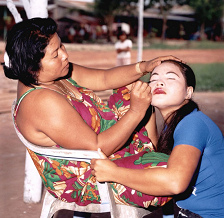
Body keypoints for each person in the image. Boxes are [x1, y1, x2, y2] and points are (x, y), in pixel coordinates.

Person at [2, 17, 180, 207]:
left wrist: (143, 67)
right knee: (178, 173)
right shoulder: (41, 102)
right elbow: (96, 148)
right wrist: (136, 111)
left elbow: (104, 78)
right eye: (55, 54)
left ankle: (149, 153)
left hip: (104, 148)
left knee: (130, 87)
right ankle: (153, 162)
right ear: (32, 68)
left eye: (61, 46)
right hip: (90, 173)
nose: (64, 55)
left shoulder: (52, 75)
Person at [91, 60, 224, 218]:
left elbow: (174, 183)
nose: (159, 82)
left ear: (188, 92)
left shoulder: (192, 123)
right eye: (153, 79)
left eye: (171, 78)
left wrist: (114, 173)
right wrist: (143, 111)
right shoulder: (177, 123)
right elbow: (156, 155)